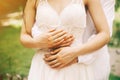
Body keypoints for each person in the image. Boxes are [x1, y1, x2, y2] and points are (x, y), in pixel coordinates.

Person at [20, 0, 114, 80]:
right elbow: (24, 35)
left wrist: (74, 52)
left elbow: (105, 34)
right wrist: (37, 42)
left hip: (75, 67)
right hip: (44, 66)